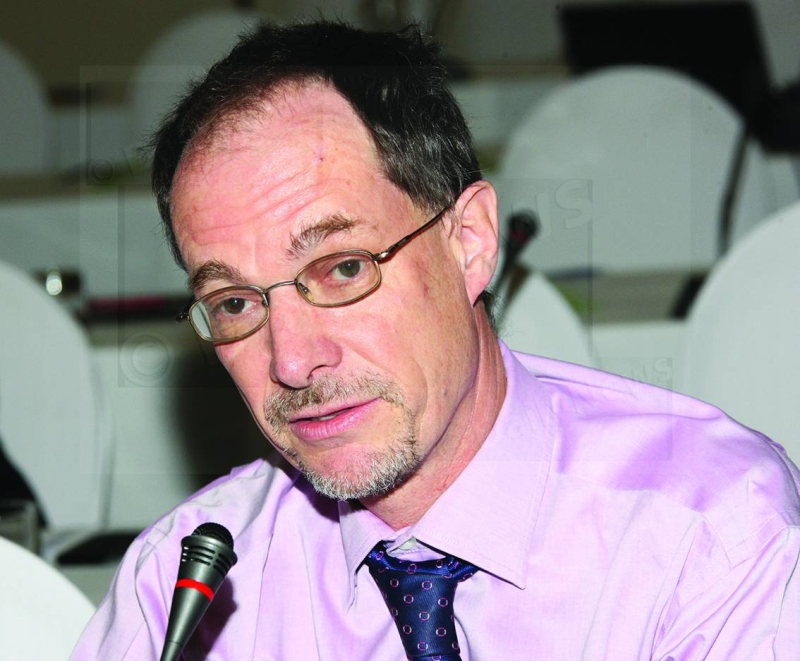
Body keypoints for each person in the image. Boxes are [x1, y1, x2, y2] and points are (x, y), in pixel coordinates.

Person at [71, 21, 800, 660]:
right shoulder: (183, 591)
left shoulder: (708, 534)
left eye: (343, 268)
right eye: (233, 304)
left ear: (470, 241)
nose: (291, 360)